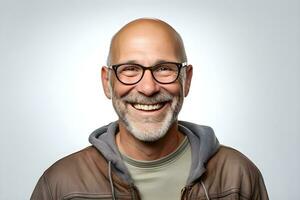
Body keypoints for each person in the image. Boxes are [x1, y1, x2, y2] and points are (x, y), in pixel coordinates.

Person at [31, 18, 269, 200]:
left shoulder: (238, 175)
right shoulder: (60, 183)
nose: (148, 87)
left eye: (164, 68)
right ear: (107, 82)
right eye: (130, 69)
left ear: (186, 79)